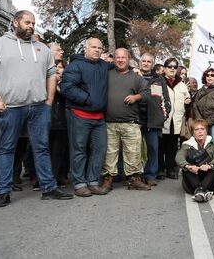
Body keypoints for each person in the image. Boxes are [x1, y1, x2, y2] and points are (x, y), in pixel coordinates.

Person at [0, 10, 73, 207]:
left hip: (39, 108)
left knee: (42, 148)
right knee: (6, 148)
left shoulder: (43, 49)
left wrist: (48, 101)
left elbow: (51, 74)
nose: (31, 26)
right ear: (15, 22)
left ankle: (48, 188)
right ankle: (4, 191)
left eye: (33, 23)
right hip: (10, 108)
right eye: (27, 22)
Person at [61, 38, 113, 197]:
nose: (97, 50)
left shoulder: (104, 66)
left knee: (100, 149)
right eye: (93, 47)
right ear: (86, 48)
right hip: (79, 114)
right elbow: (67, 88)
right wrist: (88, 100)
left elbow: (119, 65)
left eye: (100, 47)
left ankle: (92, 182)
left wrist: (134, 69)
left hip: (99, 118)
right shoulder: (75, 66)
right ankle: (79, 183)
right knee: (79, 150)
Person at [102, 48, 151, 191]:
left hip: (130, 123)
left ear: (128, 59)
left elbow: (148, 92)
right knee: (109, 154)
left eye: (123, 57)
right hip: (109, 123)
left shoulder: (136, 78)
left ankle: (134, 180)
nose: (120, 60)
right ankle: (107, 179)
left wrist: (136, 97)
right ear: (114, 59)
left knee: (133, 153)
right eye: (117, 57)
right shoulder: (107, 75)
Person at [138, 53, 170, 186]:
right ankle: (135, 175)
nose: (146, 63)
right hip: (136, 118)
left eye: (148, 61)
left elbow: (165, 99)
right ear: (140, 63)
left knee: (153, 148)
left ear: (152, 64)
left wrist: (164, 115)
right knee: (134, 149)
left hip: (153, 119)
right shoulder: (133, 76)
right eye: (143, 61)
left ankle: (150, 174)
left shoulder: (159, 79)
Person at [175, 119, 214, 202]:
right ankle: (203, 190)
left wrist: (209, 165)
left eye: (202, 129)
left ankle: (200, 190)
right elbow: (179, 157)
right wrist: (188, 166)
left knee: (213, 170)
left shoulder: (212, 143)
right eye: (197, 130)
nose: (200, 132)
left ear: (206, 131)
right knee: (186, 170)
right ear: (193, 133)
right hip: (193, 179)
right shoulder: (187, 144)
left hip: (209, 178)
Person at [160, 58, 190, 180]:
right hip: (162, 120)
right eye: (169, 66)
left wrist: (188, 102)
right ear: (165, 68)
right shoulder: (159, 81)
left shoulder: (182, 85)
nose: (172, 68)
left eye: (174, 67)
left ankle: (171, 169)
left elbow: (187, 100)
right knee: (160, 147)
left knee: (173, 147)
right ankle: (160, 169)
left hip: (176, 121)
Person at [192, 68, 214, 159]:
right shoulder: (201, 90)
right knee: (203, 146)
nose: (209, 77)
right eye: (207, 75)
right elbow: (195, 105)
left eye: (212, 75)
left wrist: (207, 122)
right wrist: (201, 121)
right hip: (202, 123)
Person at [49, 59, 69, 187]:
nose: (57, 69)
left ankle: (59, 177)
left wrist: (56, 86)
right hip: (47, 122)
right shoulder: (45, 82)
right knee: (47, 151)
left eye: (60, 67)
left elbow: (68, 96)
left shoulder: (66, 84)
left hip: (63, 122)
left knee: (59, 152)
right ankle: (44, 179)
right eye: (55, 66)